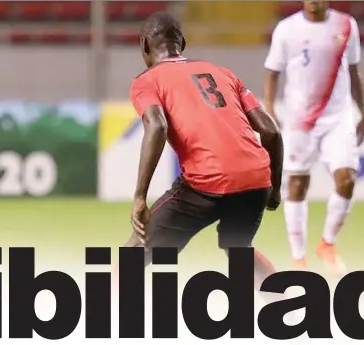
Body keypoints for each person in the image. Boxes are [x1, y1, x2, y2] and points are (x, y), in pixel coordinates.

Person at [119, 11, 285, 297]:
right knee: (238, 252)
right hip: (257, 180)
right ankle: (288, 310)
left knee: (135, 250)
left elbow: (156, 125)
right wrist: (274, 189)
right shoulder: (222, 72)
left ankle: (98, 320)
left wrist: (139, 196)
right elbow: (271, 132)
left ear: (145, 46)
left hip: (205, 182)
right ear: (181, 42)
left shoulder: (147, 81)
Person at [263, 1, 364, 276]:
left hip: (338, 117)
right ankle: (298, 258)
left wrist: (363, 110)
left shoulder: (346, 25)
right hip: (299, 119)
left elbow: (354, 71)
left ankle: (327, 244)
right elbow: (273, 71)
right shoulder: (287, 29)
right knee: (297, 186)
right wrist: (271, 108)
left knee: (347, 179)